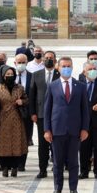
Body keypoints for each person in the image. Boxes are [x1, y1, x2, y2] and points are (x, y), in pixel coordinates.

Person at [44, 57, 90, 193]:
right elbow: (47, 109)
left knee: (73, 162)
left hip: (75, 130)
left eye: (69, 66)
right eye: (63, 66)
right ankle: (57, 188)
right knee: (57, 162)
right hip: (57, 130)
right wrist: (47, 129)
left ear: (72, 67)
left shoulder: (80, 86)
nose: (66, 68)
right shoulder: (52, 86)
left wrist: (84, 129)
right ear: (58, 67)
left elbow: (85, 110)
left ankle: (73, 189)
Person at [0, 66, 29, 178]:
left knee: (17, 145)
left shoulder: (20, 88)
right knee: (3, 146)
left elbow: (27, 99)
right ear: (3, 75)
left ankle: (15, 167)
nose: (9, 76)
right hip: (3, 120)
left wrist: (22, 101)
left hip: (17, 120)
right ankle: (5, 167)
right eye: (7, 74)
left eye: (11, 74)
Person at [29, 51, 59, 179]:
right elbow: (32, 95)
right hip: (41, 114)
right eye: (46, 58)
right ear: (42, 59)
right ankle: (42, 169)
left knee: (57, 142)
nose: (48, 60)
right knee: (43, 143)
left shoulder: (60, 74)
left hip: (57, 114)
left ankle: (58, 166)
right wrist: (33, 113)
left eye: (51, 58)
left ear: (55, 60)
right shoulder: (36, 75)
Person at [14, 53, 33, 170]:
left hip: (27, 113)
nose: (21, 64)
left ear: (27, 63)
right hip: (11, 113)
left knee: (25, 139)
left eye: (23, 62)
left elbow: (34, 95)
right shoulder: (9, 76)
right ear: (15, 63)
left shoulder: (32, 76)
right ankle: (12, 163)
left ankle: (22, 163)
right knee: (13, 137)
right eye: (19, 62)